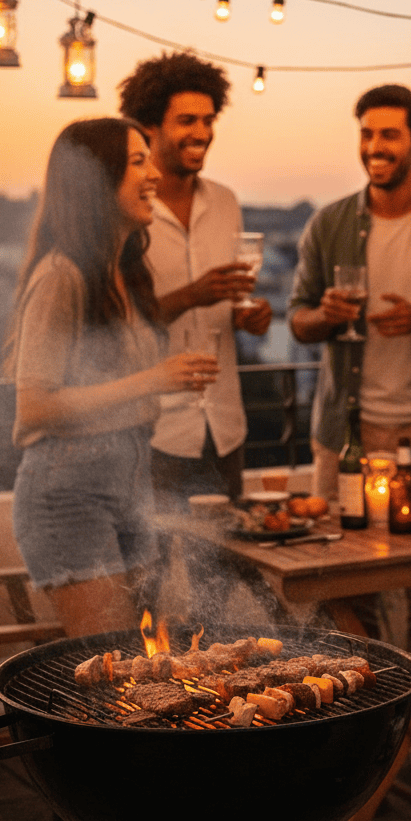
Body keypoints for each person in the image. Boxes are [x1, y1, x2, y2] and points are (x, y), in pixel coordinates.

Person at [289, 83, 411, 655]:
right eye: (367, 134)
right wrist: (324, 316)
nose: (375, 146)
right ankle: (362, 726)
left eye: (389, 135)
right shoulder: (328, 225)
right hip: (344, 441)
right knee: (342, 593)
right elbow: (297, 320)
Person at [6, 118, 219, 638]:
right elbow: (34, 408)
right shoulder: (62, 276)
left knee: (138, 664)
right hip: (67, 494)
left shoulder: (125, 274)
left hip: (131, 484)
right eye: (137, 162)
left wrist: (165, 378)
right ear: (97, 181)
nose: (153, 175)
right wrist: (152, 380)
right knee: (109, 677)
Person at [118, 52, 271, 506]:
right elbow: (119, 323)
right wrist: (193, 294)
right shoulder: (127, 211)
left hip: (225, 429)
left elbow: (231, 301)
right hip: (153, 434)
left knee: (230, 569)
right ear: (150, 127)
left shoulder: (226, 202)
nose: (202, 133)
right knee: (154, 570)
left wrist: (251, 316)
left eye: (208, 120)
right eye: (187, 120)